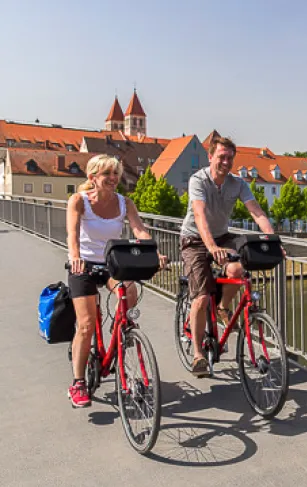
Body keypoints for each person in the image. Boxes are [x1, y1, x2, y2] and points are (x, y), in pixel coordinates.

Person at [66, 154, 168, 408]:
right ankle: (78, 382)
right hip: (84, 266)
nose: (113, 179)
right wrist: (76, 257)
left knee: (130, 292)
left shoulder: (125, 203)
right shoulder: (79, 201)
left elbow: (139, 230)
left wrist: (153, 251)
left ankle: (121, 329)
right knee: (87, 324)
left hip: (112, 264)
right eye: (107, 174)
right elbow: (73, 234)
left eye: (115, 174)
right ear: (92, 178)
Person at [180, 135, 276, 377]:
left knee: (237, 269)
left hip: (222, 237)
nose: (226, 162)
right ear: (210, 157)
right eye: (221, 157)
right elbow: (199, 215)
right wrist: (211, 247)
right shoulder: (198, 180)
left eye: (230, 158)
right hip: (195, 239)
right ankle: (198, 354)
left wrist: (273, 240)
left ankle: (222, 306)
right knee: (201, 298)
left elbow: (256, 211)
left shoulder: (237, 183)